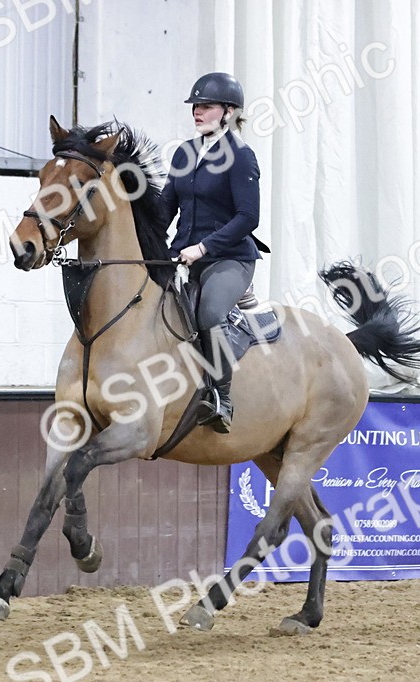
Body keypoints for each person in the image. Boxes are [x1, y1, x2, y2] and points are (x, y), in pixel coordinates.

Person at [160, 71, 266, 434]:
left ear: (229, 111)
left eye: (205, 106)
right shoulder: (184, 153)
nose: (197, 112)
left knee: (209, 312)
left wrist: (203, 247)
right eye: (195, 106)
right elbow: (165, 208)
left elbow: (248, 217)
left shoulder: (240, 156)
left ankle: (223, 398)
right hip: (183, 255)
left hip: (230, 258)